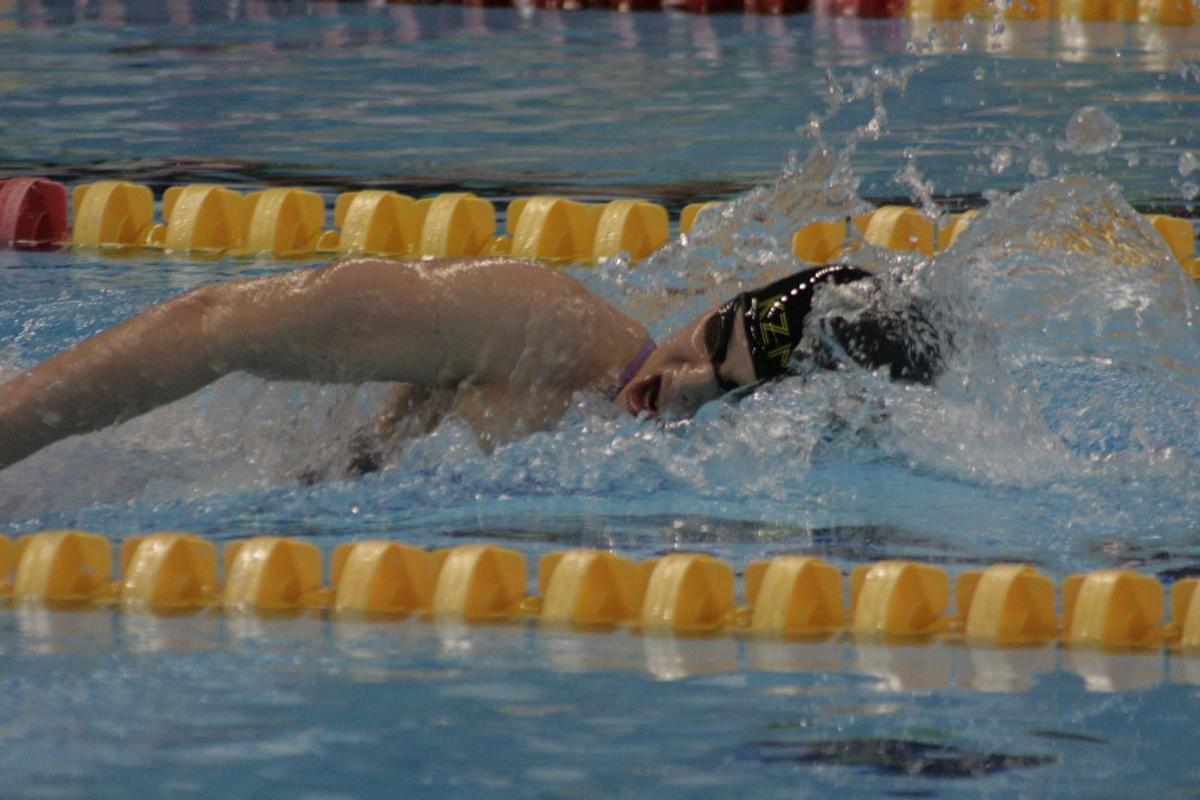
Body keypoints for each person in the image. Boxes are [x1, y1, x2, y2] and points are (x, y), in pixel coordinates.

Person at [0, 257, 942, 472]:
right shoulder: (528, 322)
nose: (678, 383)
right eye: (706, 344)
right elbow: (212, 327)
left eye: (729, 396)